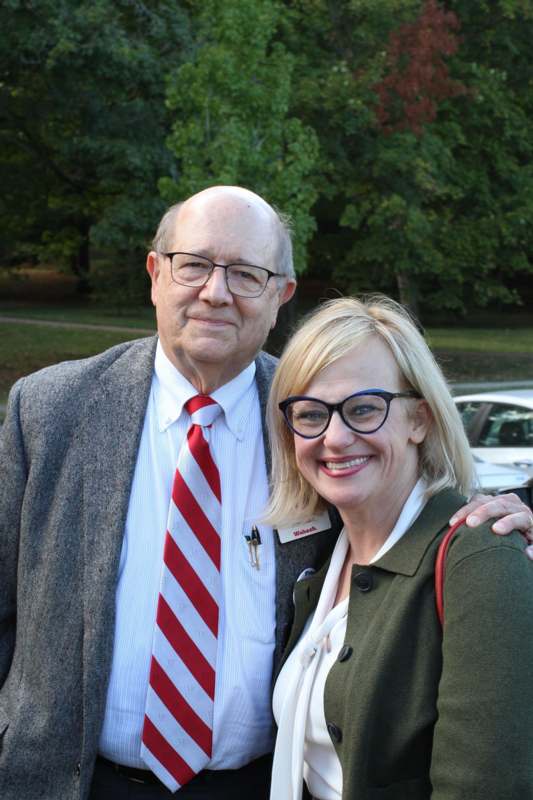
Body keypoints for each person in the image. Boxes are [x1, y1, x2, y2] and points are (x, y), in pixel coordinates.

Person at [0, 187, 530, 800]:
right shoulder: (49, 410)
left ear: (280, 296)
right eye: (193, 264)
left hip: (261, 783)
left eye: (247, 274)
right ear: (155, 274)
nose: (215, 291)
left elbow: (411, 499)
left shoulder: (309, 412)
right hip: (70, 782)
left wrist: (518, 511)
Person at [267, 295, 533, 800]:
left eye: (364, 408)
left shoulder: (480, 559)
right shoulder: (321, 558)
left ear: (420, 419)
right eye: (310, 414)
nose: (336, 437)